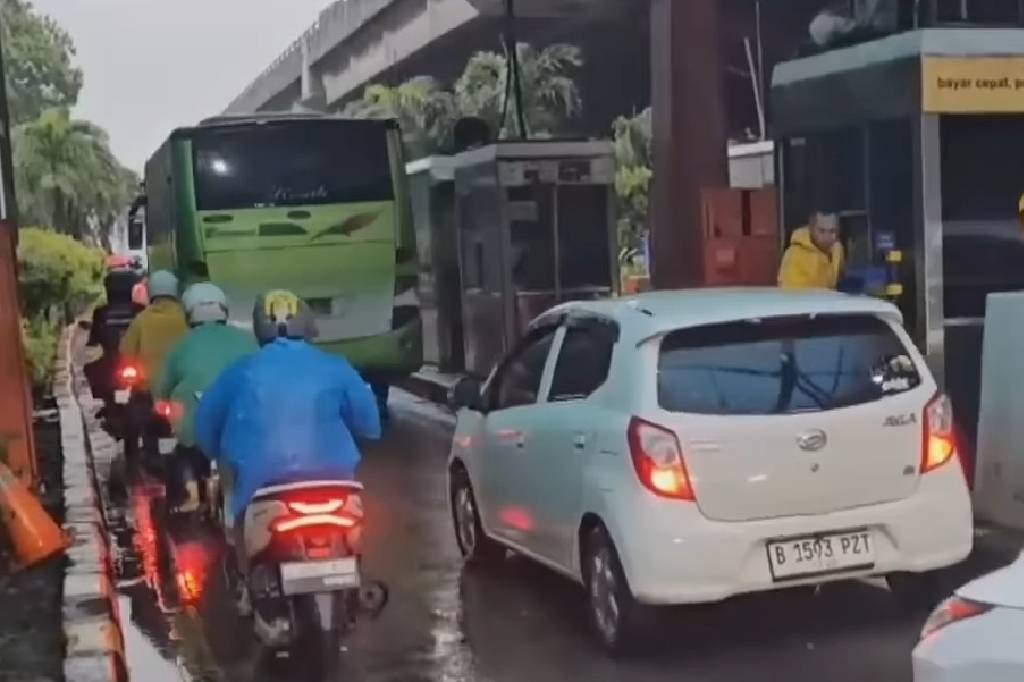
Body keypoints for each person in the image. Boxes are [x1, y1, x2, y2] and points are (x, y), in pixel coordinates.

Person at [194, 290, 381, 598]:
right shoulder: (336, 367)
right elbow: (370, 426)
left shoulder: (239, 372)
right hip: (337, 486)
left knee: (239, 540)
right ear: (306, 325)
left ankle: (245, 594)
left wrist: (220, 454)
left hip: (264, 489)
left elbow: (205, 430)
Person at [153, 283, 257, 513]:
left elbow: (160, 392)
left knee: (184, 452)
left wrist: (163, 407)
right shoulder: (246, 340)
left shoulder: (180, 347)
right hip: (241, 423)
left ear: (189, 312)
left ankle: (190, 493)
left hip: (195, 427)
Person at [84, 267, 145, 405]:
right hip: (136, 362)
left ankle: (108, 402)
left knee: (91, 370)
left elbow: (94, 339)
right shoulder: (141, 310)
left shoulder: (100, 312)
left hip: (112, 362)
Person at [119, 270, 188, 388]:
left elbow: (126, 350)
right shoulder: (187, 318)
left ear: (150, 291)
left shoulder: (141, 319)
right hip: (181, 384)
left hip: (148, 387)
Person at [777, 211, 845, 290]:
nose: (827, 237)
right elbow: (792, 295)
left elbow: (840, 276)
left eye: (832, 231)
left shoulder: (837, 249)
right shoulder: (794, 255)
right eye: (821, 231)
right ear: (811, 229)